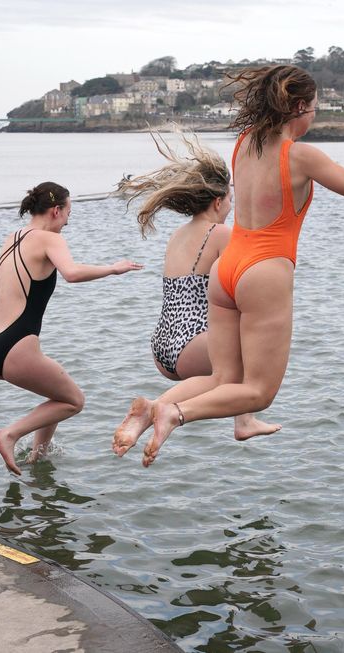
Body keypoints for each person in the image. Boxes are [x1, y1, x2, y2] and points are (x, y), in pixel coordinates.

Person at [112, 65, 344, 466]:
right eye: (313, 107)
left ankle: (152, 410)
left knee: (223, 380)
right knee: (260, 391)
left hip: (227, 270)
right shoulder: (299, 155)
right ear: (298, 107)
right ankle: (175, 414)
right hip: (264, 270)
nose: (315, 114)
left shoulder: (244, 143)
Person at [115, 133, 280, 443]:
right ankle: (158, 411)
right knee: (249, 358)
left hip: (162, 345)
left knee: (231, 368)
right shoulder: (220, 233)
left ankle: (236, 420)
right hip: (192, 343)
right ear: (218, 201)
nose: (232, 206)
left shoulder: (178, 235)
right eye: (231, 199)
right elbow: (244, 284)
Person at [0, 182, 142, 475]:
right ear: (55, 210)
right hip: (16, 347)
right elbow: (72, 273)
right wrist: (114, 268)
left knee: (56, 396)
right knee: (74, 401)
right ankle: (9, 435)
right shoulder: (50, 240)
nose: (66, 222)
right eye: (68, 215)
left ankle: (37, 460)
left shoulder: (12, 237)